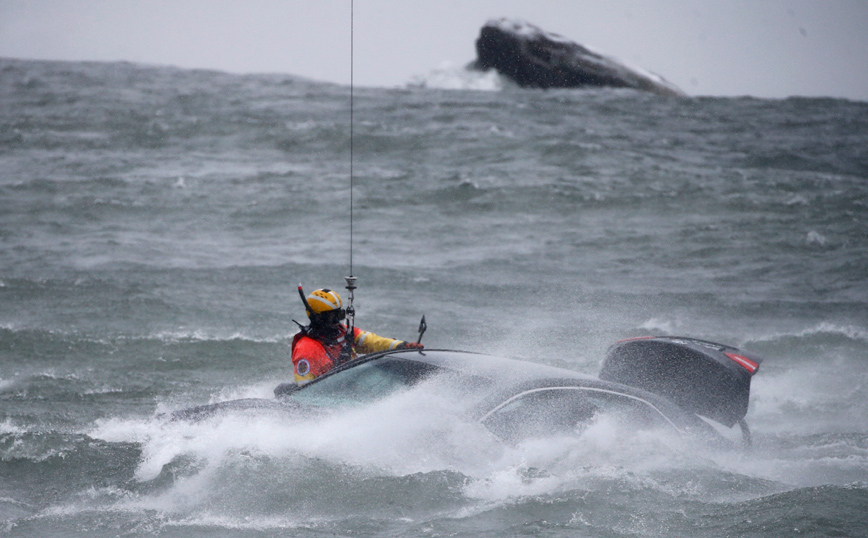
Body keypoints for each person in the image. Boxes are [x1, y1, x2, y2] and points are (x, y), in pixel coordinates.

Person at [291, 288, 423, 384]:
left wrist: (402, 346)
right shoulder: (306, 349)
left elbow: (374, 343)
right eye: (332, 317)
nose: (337, 321)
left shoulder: (346, 332)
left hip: (354, 386)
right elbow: (304, 388)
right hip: (332, 398)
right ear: (318, 317)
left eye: (339, 315)